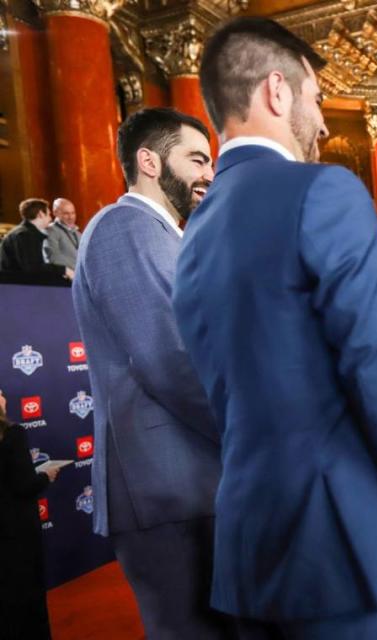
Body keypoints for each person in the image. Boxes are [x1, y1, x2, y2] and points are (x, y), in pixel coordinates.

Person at [172, 17, 377, 639]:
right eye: (314, 97)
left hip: (251, 551)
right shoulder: (323, 191)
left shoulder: (193, 234)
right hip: (349, 548)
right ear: (277, 92)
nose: (324, 119)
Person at [71, 107, 232, 639]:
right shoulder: (126, 226)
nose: (209, 173)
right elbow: (170, 360)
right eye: (196, 158)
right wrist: (254, 435)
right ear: (148, 160)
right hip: (166, 488)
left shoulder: (164, 235)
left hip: (186, 483)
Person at [0, 389, 59, 640]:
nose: (4, 397)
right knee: (27, 595)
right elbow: (24, 485)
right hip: (16, 531)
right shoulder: (13, 434)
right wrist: (46, 475)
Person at [0, 198, 73, 280]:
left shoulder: (24, 233)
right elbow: (33, 269)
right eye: (48, 214)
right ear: (40, 214)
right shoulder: (25, 235)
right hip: (19, 288)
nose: (50, 219)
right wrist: (63, 270)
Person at [46, 197, 81, 270]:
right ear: (55, 213)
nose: (71, 217)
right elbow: (53, 257)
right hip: (65, 277)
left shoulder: (78, 233)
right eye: (66, 213)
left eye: (73, 213)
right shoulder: (50, 230)